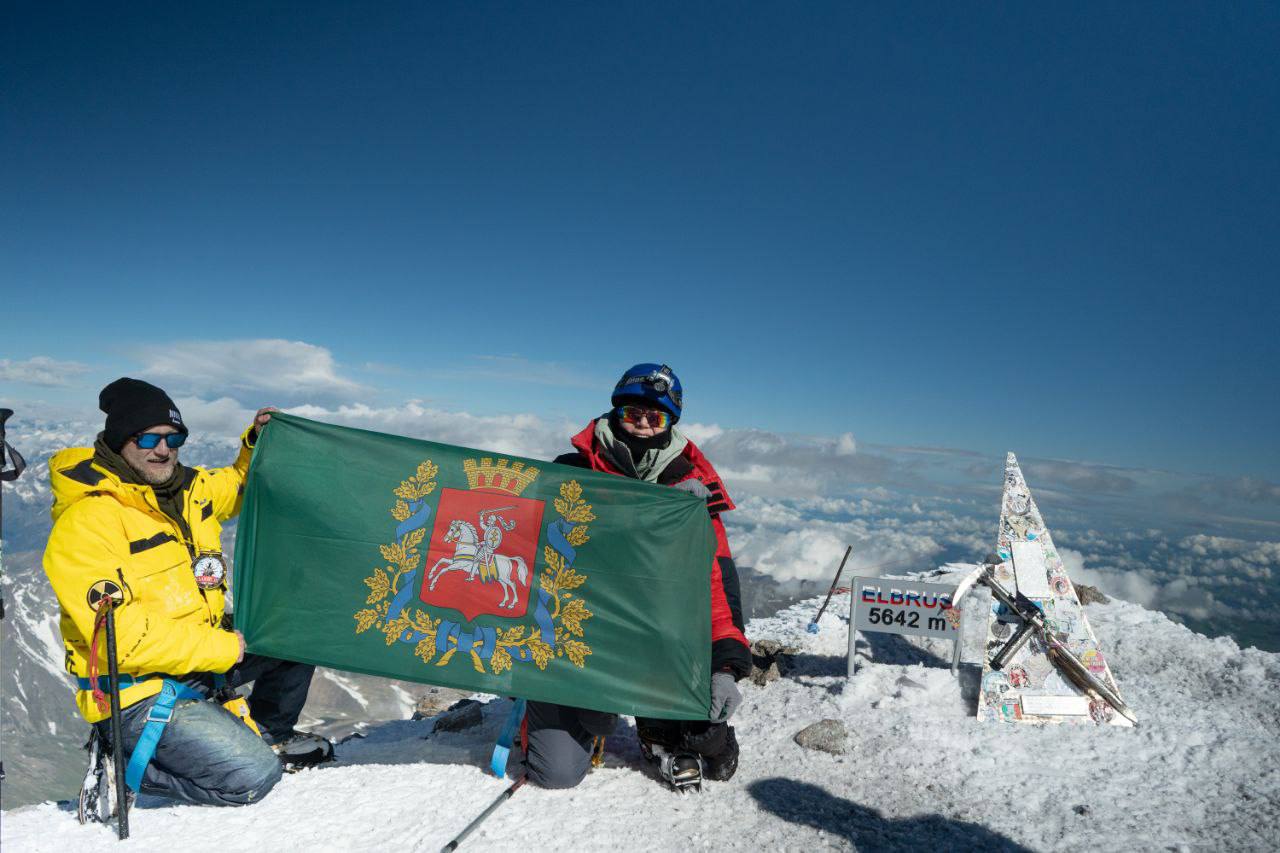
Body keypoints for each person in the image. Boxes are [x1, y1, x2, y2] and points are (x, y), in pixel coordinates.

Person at [43, 378, 331, 808]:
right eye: (148, 438)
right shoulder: (88, 521)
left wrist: (257, 440)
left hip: (198, 658)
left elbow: (238, 483)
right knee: (253, 778)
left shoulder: (189, 490)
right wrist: (221, 648)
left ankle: (266, 734)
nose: (164, 449)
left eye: (174, 437)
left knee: (293, 626)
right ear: (120, 440)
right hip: (135, 691)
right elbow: (117, 636)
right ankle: (128, 764)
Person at [523, 363, 751, 790]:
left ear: (670, 424)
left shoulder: (692, 490)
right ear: (615, 412)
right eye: (633, 413)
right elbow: (535, 559)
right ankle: (551, 704)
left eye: (656, 417)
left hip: (655, 642)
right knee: (555, 773)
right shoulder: (572, 471)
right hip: (578, 634)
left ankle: (656, 728)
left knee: (716, 758)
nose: (643, 425)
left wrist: (725, 667)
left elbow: (716, 589)